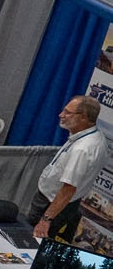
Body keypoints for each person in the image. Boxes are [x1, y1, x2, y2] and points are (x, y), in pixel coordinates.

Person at [29, 96, 106, 242]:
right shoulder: (93, 135)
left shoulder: (82, 149)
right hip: (58, 203)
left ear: (83, 117)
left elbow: (68, 189)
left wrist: (46, 219)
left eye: (67, 112)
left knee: (31, 241)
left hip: (52, 206)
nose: (61, 115)